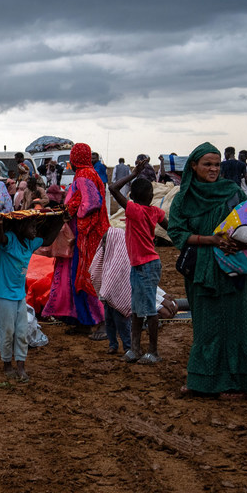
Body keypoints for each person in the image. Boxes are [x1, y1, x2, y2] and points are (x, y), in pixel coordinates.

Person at [168, 142, 247, 399]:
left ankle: (237, 384)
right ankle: (202, 381)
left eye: (217, 164)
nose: (213, 169)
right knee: (206, 325)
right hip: (202, 270)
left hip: (235, 268)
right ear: (193, 166)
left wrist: (239, 241)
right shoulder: (184, 198)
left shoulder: (232, 192)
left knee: (235, 323)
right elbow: (177, 233)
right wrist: (212, 240)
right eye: (207, 164)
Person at [41, 143, 110, 333]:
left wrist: (72, 213)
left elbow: (92, 203)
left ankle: (95, 320)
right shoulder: (91, 173)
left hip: (87, 233)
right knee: (83, 275)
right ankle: (83, 320)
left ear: (75, 158)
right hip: (92, 232)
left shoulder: (84, 175)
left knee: (84, 276)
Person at [109, 159, 169, 364]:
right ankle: (136, 349)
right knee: (137, 309)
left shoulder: (134, 211)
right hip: (143, 264)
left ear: (132, 197)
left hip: (145, 265)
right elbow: (169, 226)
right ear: (152, 197)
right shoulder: (155, 212)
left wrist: (134, 174)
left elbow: (113, 187)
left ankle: (153, 352)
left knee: (149, 309)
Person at [0, 216, 63, 382]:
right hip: (3, 294)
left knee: (22, 332)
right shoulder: (10, 239)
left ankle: (21, 366)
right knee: (7, 331)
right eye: (31, 226)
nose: (34, 230)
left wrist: (61, 221)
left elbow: (47, 241)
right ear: (21, 227)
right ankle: (7, 364)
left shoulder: (30, 244)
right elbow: (0, 238)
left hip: (19, 294)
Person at [89, 227, 133, 357]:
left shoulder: (122, 258)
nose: (103, 244)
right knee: (109, 322)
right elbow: (96, 272)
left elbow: (118, 278)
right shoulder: (105, 255)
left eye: (105, 241)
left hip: (119, 298)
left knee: (122, 323)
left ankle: (127, 347)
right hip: (107, 298)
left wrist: (107, 290)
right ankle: (112, 345)